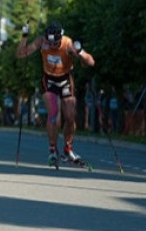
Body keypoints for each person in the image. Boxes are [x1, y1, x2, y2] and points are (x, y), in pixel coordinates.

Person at [16, 21, 95, 166]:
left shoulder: (68, 44)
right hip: (49, 80)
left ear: (61, 37)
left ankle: (68, 148)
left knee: (70, 116)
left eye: (55, 42)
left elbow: (90, 62)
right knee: (54, 114)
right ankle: (52, 149)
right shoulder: (41, 41)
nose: (52, 45)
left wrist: (80, 52)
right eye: (49, 42)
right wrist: (24, 36)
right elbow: (21, 54)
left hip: (65, 80)